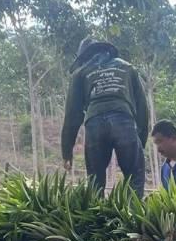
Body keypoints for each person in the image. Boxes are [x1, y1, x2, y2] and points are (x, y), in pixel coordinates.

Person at [61, 38, 150, 197]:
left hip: (94, 125)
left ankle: (97, 217)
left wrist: (67, 152)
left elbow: (72, 116)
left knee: (96, 183)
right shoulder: (127, 68)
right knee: (135, 175)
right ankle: (133, 216)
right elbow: (142, 108)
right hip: (124, 121)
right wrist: (140, 142)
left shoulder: (80, 73)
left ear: (84, 56)